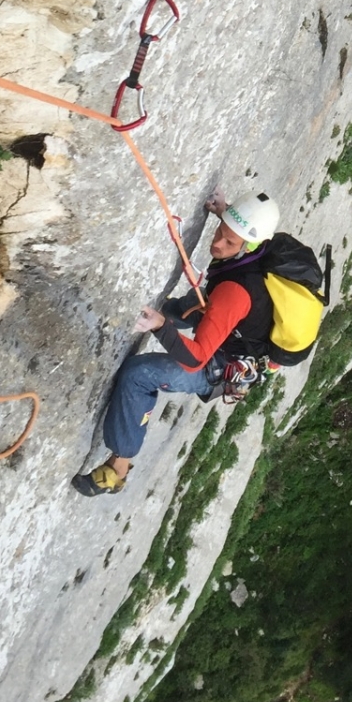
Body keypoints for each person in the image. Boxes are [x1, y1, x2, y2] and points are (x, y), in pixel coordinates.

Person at [72, 190, 281, 497]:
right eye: (220, 232)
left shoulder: (236, 293)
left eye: (229, 242)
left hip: (217, 366)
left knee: (139, 374)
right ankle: (169, 316)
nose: (217, 244)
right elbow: (232, 234)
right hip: (233, 331)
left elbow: (195, 359)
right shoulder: (253, 249)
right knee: (174, 309)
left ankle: (118, 467)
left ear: (247, 247)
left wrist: (160, 328)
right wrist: (224, 212)